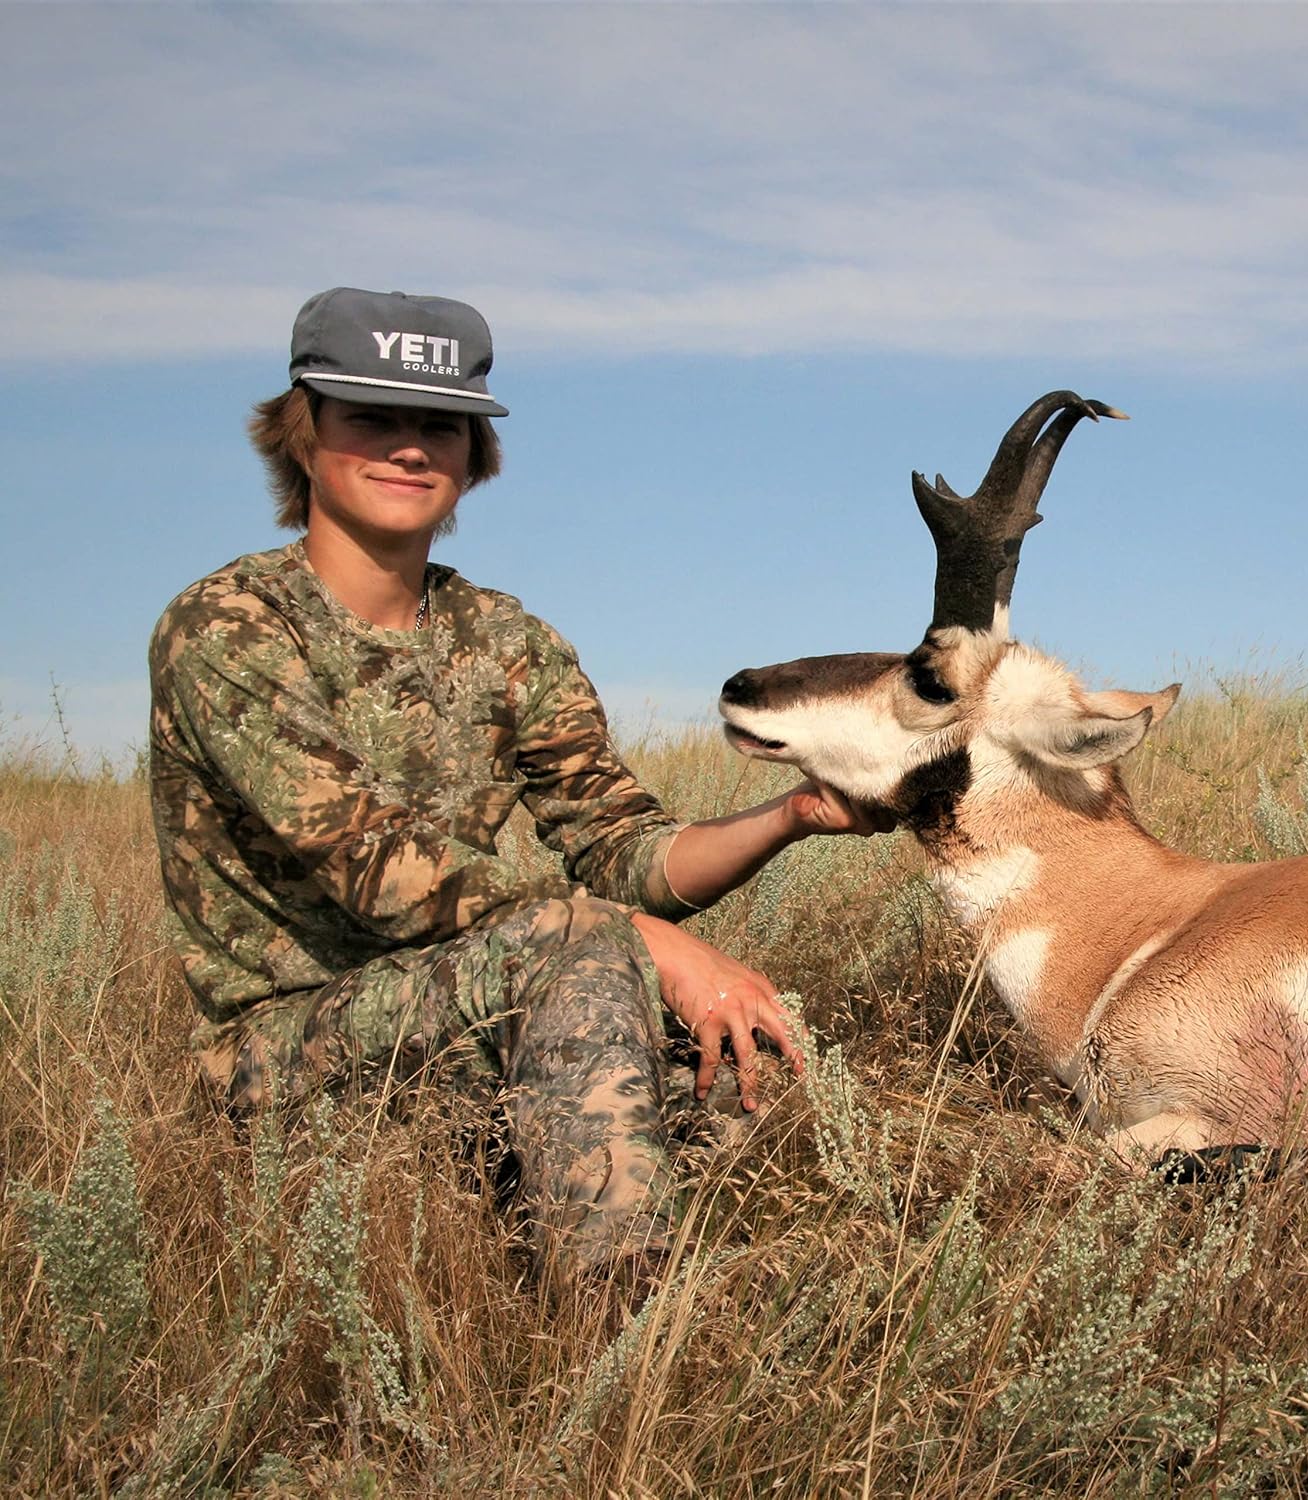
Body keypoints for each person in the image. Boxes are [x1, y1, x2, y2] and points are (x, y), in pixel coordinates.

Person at [148, 287, 888, 1293]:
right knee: (582, 946)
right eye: (372, 417)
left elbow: (623, 852)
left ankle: (770, 1289)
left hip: (480, 1028)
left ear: (471, 455)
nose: (409, 448)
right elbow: (377, 870)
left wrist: (793, 814)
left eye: (438, 425)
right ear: (304, 433)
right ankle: (625, 1316)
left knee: (753, 1067)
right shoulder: (226, 628)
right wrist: (643, 941)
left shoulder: (507, 641)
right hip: (283, 1068)